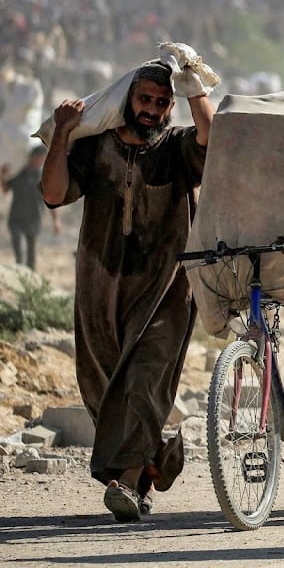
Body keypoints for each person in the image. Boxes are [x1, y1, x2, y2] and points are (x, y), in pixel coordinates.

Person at [39, 57, 216, 521]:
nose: (152, 109)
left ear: (171, 107)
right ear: (128, 100)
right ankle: (152, 465)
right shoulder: (95, 146)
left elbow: (213, 138)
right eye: (145, 99)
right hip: (100, 287)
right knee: (102, 387)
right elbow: (53, 194)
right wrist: (62, 132)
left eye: (162, 102)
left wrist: (194, 85)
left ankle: (127, 482)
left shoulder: (178, 147)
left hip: (165, 289)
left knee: (144, 380)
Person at [1, 145, 60, 269]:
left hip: (34, 221)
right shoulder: (20, 173)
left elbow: (50, 200)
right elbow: (6, 189)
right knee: (19, 252)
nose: (42, 161)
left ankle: (29, 278)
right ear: (34, 157)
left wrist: (56, 220)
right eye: (41, 158)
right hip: (16, 219)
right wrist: (2, 176)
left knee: (31, 255)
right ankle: (19, 275)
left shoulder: (43, 178)